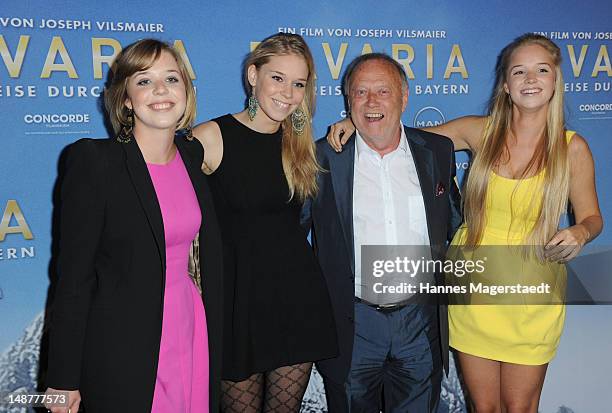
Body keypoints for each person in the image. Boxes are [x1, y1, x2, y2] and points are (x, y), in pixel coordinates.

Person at [327, 33, 603, 412]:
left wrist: (581, 231)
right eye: (518, 71)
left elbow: (592, 217)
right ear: (506, 85)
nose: (530, 79)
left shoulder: (572, 148)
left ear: (556, 79)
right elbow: (400, 138)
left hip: (531, 297)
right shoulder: (480, 131)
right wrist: (357, 119)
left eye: (541, 69)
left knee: (520, 407)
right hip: (472, 293)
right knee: (482, 407)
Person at [44, 39, 224, 413]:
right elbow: (73, 280)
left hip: (190, 328)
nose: (161, 90)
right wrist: (62, 379)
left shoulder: (192, 157)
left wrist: (351, 125)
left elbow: (261, 129)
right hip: (123, 344)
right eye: (144, 81)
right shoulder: (96, 162)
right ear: (125, 99)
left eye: (172, 79)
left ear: (186, 91)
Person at [302, 52, 462, 412]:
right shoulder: (323, 159)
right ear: (348, 101)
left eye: (383, 91)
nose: (371, 102)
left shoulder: (437, 151)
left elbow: (454, 223)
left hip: (420, 327)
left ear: (404, 96)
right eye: (360, 93)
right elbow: (293, 236)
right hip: (353, 325)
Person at [191, 33, 338, 412]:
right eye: (277, 78)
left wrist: (353, 124)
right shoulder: (211, 138)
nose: (288, 93)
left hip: (296, 301)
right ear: (253, 75)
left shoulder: (301, 143)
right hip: (235, 306)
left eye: (298, 83)